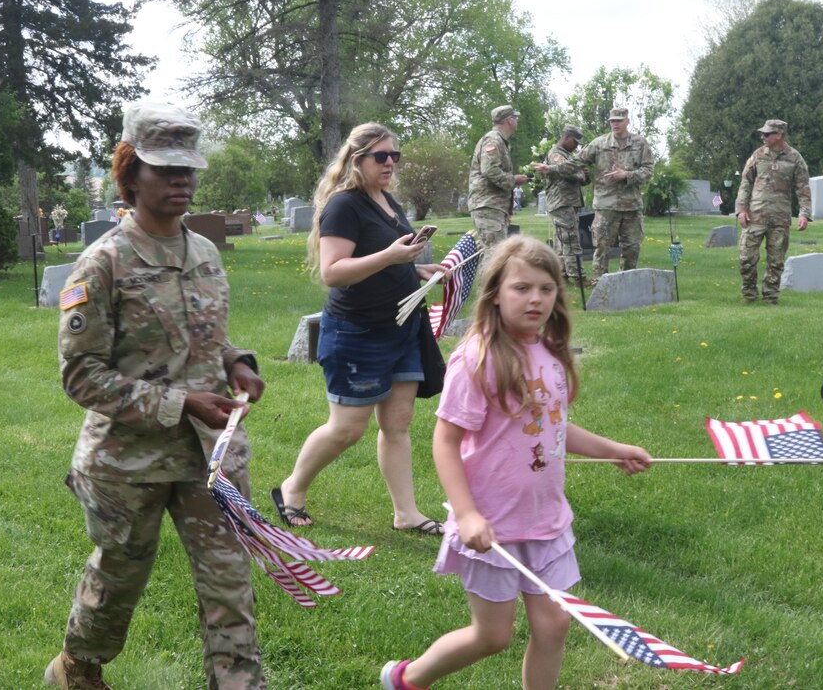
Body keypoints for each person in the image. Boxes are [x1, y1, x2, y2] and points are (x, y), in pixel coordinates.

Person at [46, 103, 265, 690]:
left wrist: (235, 361)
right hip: (128, 461)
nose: (181, 181)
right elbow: (81, 374)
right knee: (120, 575)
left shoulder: (205, 253)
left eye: (188, 169)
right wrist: (180, 403)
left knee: (229, 587)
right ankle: (77, 668)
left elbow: (202, 339)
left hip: (208, 458)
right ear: (129, 173)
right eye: (164, 169)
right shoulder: (104, 263)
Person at [380, 235, 652, 690]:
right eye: (521, 288)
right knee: (492, 636)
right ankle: (408, 678)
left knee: (555, 626)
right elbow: (445, 442)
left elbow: (557, 428)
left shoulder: (549, 353)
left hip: (546, 520)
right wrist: (466, 513)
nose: (536, 299)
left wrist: (614, 449)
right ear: (495, 294)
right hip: (494, 525)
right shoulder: (478, 359)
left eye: (546, 289)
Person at [272, 123, 446, 536]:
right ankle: (292, 489)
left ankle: (406, 513)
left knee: (398, 424)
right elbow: (334, 273)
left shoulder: (387, 200)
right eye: (380, 156)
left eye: (394, 156)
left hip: (402, 326)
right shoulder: (344, 206)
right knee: (348, 428)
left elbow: (386, 258)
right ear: (357, 159)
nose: (390, 163)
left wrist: (415, 267)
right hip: (358, 331)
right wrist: (389, 256)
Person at [535, 107, 654, 280]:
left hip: (631, 206)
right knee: (602, 248)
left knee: (632, 247)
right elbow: (576, 162)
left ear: (627, 121)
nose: (615, 124)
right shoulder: (599, 143)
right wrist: (551, 168)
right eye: (612, 121)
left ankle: (626, 282)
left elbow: (648, 170)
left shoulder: (640, 143)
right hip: (606, 206)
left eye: (619, 120)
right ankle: (600, 284)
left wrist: (627, 175)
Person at [735, 119, 812, 304]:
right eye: (762, 134)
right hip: (755, 216)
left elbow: (803, 188)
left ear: (779, 135)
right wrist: (741, 210)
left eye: (767, 134)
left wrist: (804, 213)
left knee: (776, 262)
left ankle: (771, 297)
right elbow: (746, 183)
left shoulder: (795, 158)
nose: (763, 137)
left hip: (780, 218)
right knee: (746, 258)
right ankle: (749, 295)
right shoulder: (757, 155)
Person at [468, 105, 532, 264]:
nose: (517, 121)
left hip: (492, 206)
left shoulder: (499, 141)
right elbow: (489, 170)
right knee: (494, 257)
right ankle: (488, 289)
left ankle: (493, 289)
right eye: (515, 118)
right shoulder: (493, 140)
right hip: (487, 205)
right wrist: (514, 180)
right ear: (509, 120)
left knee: (496, 255)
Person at [541, 125, 591, 286]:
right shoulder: (556, 154)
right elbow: (568, 172)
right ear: (567, 138)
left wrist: (583, 174)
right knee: (571, 240)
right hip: (562, 202)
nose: (576, 146)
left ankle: (561, 274)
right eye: (575, 142)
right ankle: (579, 277)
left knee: (561, 241)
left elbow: (581, 175)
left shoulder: (567, 155)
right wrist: (581, 173)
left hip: (567, 202)